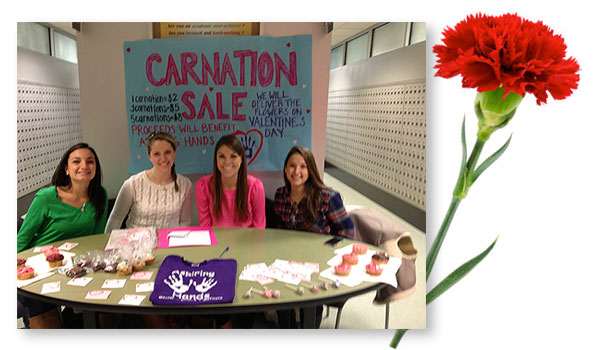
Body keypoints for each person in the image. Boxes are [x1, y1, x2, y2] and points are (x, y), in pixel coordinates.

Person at [17, 143, 108, 328]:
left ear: (95, 168)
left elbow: (96, 238)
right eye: (76, 161)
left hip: (73, 266)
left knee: (103, 306)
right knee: (47, 320)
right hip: (40, 266)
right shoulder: (47, 197)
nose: (84, 166)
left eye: (90, 161)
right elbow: (22, 239)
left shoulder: (100, 195)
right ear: (66, 169)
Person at [105, 132, 193, 232]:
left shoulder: (185, 184)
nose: (163, 158)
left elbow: (185, 222)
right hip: (136, 244)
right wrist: (108, 245)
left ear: (174, 153)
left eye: (167, 152)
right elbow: (116, 219)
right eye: (157, 154)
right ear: (149, 156)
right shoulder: (132, 184)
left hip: (169, 243)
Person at [274, 146, 355, 239]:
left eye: (303, 166)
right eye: (292, 165)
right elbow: (281, 231)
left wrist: (330, 248)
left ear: (310, 170)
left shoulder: (328, 198)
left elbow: (348, 230)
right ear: (285, 169)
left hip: (320, 251)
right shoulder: (280, 195)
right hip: (290, 251)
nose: (296, 171)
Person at [196, 134, 266, 228]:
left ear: (241, 159)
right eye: (222, 156)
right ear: (215, 159)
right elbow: (205, 227)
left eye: (233, 156)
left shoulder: (256, 187)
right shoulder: (203, 186)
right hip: (217, 241)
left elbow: (259, 228)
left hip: (247, 241)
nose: (227, 162)